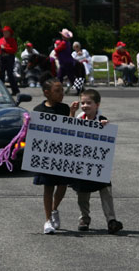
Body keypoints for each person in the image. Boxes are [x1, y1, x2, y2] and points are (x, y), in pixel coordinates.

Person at [67, 88, 123, 234]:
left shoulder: (101, 120)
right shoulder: (79, 118)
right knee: (82, 194)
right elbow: (68, 129)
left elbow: (107, 139)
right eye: (83, 103)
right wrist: (72, 112)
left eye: (89, 103)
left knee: (106, 191)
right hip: (81, 163)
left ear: (97, 105)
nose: (85, 105)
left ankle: (111, 220)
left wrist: (105, 127)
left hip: (98, 164)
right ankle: (84, 218)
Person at [33, 74, 72, 234]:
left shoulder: (64, 108)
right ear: (47, 92)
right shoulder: (38, 110)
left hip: (63, 153)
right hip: (46, 155)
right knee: (48, 188)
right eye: (58, 91)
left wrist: (72, 114)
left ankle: (55, 209)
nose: (62, 94)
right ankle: (48, 220)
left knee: (62, 185)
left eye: (62, 90)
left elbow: (70, 129)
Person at [0, 25, 19, 95]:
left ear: (9, 33)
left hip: (9, 58)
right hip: (2, 58)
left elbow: (14, 50)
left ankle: (15, 90)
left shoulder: (12, 40)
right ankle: (1, 90)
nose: (5, 33)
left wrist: (5, 49)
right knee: (1, 74)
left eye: (6, 32)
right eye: (4, 32)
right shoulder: (0, 40)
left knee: (10, 74)